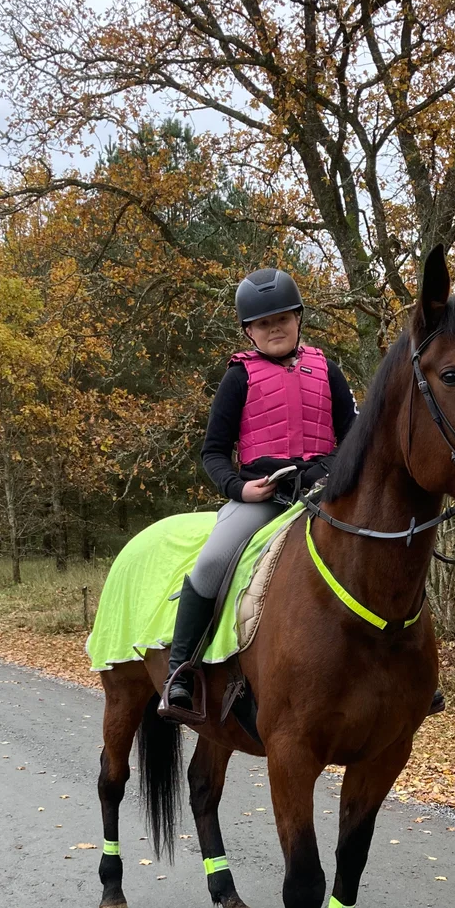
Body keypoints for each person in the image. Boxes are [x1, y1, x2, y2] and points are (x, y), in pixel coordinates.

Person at [162, 268, 359, 715]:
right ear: (249, 330)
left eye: (283, 319)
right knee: (212, 561)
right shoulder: (238, 377)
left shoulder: (327, 370)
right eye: (264, 323)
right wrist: (239, 488)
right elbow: (213, 452)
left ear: (298, 319)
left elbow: (356, 439)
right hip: (263, 496)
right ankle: (181, 671)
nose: (275, 328)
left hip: (324, 493)